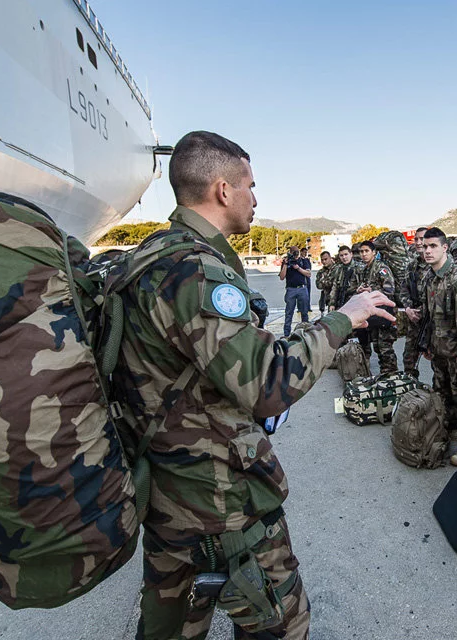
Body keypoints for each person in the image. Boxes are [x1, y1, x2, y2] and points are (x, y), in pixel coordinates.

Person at [113, 130, 395, 640]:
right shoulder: (197, 270)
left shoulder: (151, 254)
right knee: (281, 623)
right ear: (224, 191)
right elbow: (267, 383)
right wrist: (343, 318)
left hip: (164, 490)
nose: (256, 199)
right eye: (251, 186)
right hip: (216, 499)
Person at [411, 227, 457, 466]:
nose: (427, 251)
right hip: (439, 349)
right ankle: (452, 430)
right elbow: (430, 316)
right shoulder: (430, 277)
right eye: (424, 246)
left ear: (445, 247)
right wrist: (427, 344)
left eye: (433, 246)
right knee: (443, 394)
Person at [351, 240, 398, 373]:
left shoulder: (381, 268)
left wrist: (371, 290)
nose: (364, 254)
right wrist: (360, 290)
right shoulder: (366, 269)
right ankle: (385, 376)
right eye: (361, 252)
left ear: (374, 252)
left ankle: (391, 375)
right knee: (377, 347)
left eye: (366, 251)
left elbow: (389, 289)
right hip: (375, 314)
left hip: (385, 313)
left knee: (385, 348)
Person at [401, 227, 431, 379]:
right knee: (409, 360)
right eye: (416, 239)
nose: (419, 242)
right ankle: (411, 388)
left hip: (435, 321)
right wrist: (408, 309)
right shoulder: (412, 266)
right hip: (415, 319)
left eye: (422, 239)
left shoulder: (438, 264)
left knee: (441, 367)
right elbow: (403, 290)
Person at [279, 245, 312, 336]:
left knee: (304, 312)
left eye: (296, 253)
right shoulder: (286, 262)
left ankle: (305, 332)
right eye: (293, 253)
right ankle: (286, 334)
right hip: (291, 289)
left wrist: (298, 268)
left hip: (302, 288)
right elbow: (282, 277)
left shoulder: (304, 261)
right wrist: (285, 264)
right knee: (289, 313)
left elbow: (308, 274)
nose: (295, 255)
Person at [328, 245, 356, 311]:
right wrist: (332, 303)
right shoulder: (339, 269)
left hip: (354, 302)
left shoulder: (358, 268)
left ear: (351, 254)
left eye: (346, 254)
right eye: (341, 255)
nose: (344, 257)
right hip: (341, 301)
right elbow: (335, 287)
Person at [315, 250, 335, 315]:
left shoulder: (338, 269)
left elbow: (337, 283)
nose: (324, 261)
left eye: (326, 259)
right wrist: (329, 282)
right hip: (329, 300)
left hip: (339, 299)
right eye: (322, 260)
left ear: (330, 258)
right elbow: (318, 285)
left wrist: (324, 281)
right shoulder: (321, 272)